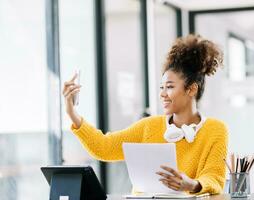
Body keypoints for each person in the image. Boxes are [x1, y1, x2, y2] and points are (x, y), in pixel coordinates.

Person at [62, 34, 228, 195]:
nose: (162, 94)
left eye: (169, 87)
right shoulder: (149, 126)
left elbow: (215, 177)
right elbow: (104, 148)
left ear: (191, 89)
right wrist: (71, 113)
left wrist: (191, 184)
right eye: (161, 87)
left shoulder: (215, 130)